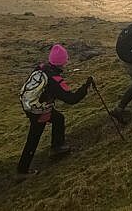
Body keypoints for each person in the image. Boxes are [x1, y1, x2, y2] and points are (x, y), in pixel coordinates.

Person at [17, 44, 92, 175]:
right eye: (66, 60)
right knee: (34, 137)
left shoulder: (42, 68)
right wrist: (85, 88)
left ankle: (57, 146)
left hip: (30, 106)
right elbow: (71, 99)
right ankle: (22, 171)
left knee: (58, 118)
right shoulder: (54, 80)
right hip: (39, 110)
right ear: (61, 62)